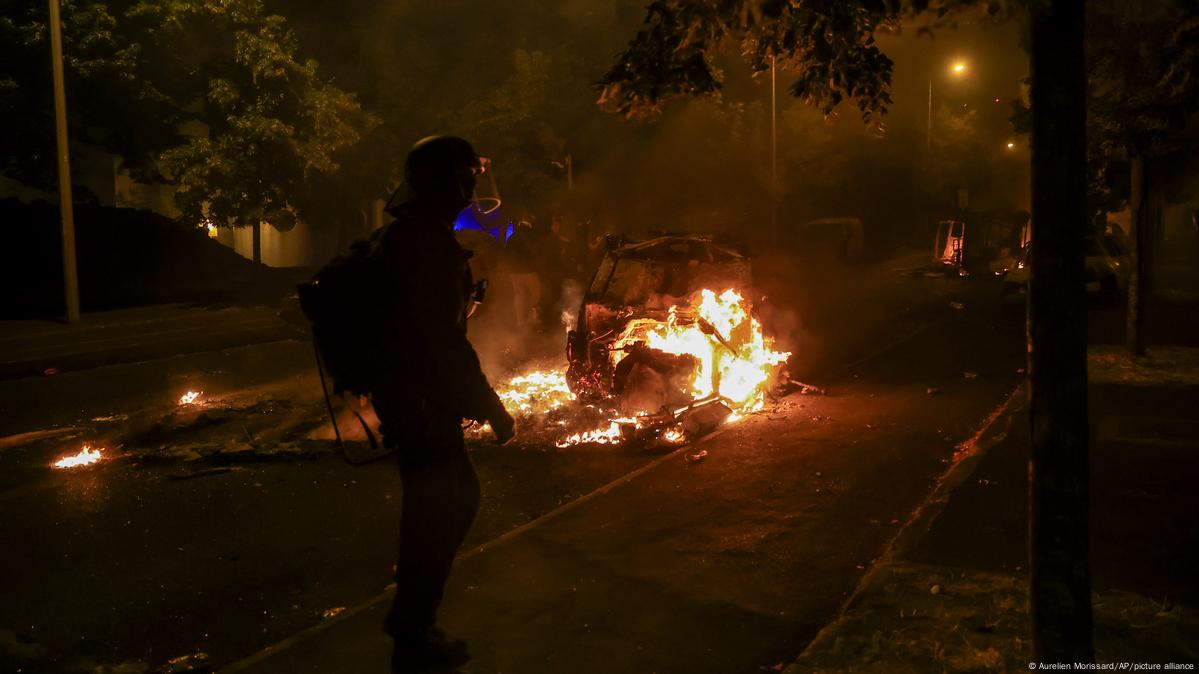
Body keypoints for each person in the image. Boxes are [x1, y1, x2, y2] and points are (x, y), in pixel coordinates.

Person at [370, 135, 515, 673]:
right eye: (467, 178)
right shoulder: (423, 245)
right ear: (446, 182)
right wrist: (490, 406)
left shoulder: (416, 237)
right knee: (441, 506)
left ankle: (413, 613)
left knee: (451, 502)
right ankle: (412, 634)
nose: (473, 188)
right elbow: (441, 341)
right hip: (419, 402)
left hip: (419, 398)